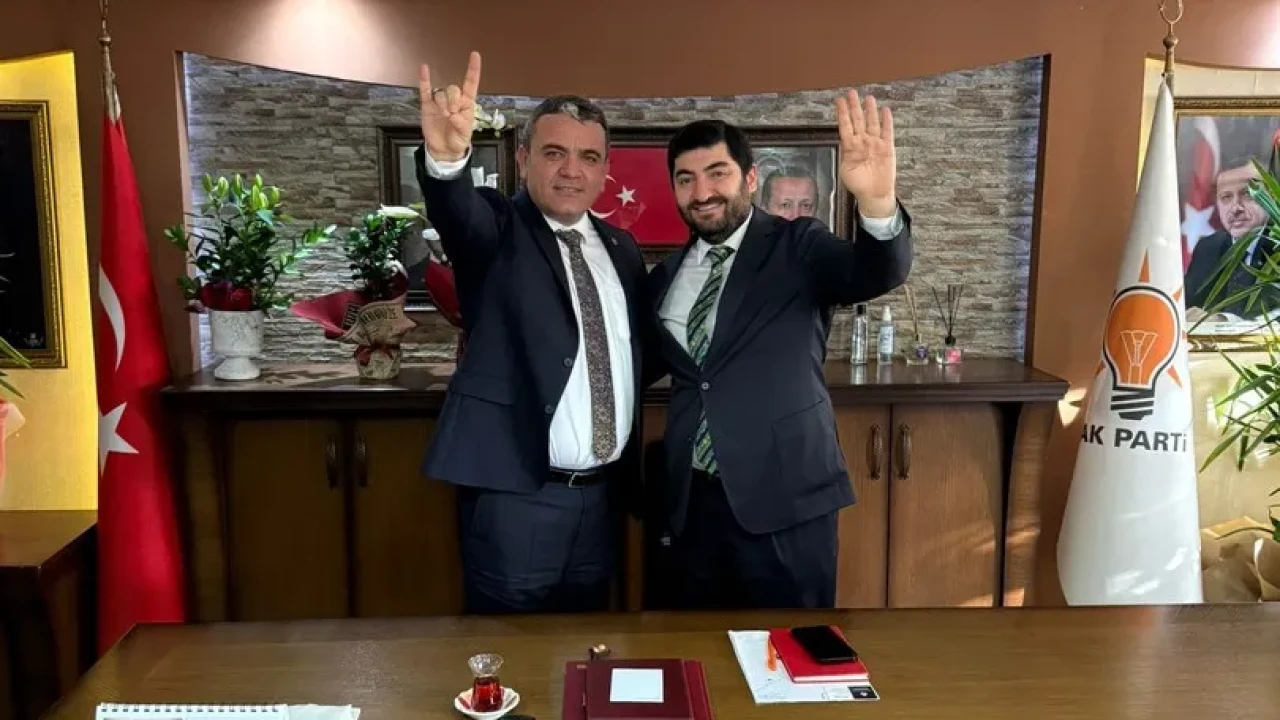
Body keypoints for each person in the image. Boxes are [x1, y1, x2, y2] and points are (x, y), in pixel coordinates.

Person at [644, 90, 913, 609]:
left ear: (749, 179)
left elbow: (876, 271)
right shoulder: (667, 278)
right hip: (691, 506)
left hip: (787, 502)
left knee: (790, 650)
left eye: (717, 173)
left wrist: (878, 204)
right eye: (686, 179)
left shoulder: (799, 246)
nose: (702, 192)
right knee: (692, 648)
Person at [414, 52, 647, 614]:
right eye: (554, 152)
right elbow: (459, 216)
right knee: (508, 653)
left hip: (602, 500)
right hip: (517, 499)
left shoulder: (622, 250)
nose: (572, 170)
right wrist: (447, 162)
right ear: (523, 160)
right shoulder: (498, 228)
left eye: (588, 157)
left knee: (588, 652)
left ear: (605, 171)